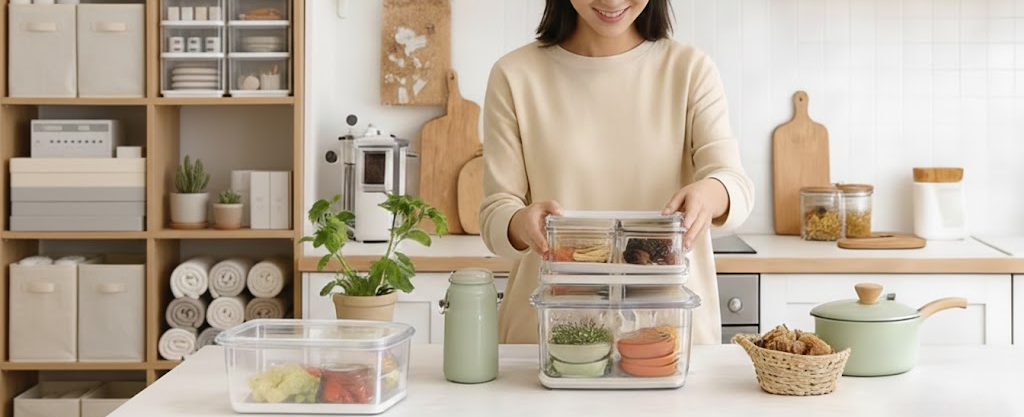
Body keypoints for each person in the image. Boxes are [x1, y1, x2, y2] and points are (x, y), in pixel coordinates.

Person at [479, 0, 754, 345]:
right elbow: (496, 209)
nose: (611, 1)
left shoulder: (690, 70)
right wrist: (522, 223)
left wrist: (711, 193)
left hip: (668, 338)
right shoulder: (515, 75)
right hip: (547, 337)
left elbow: (735, 185)